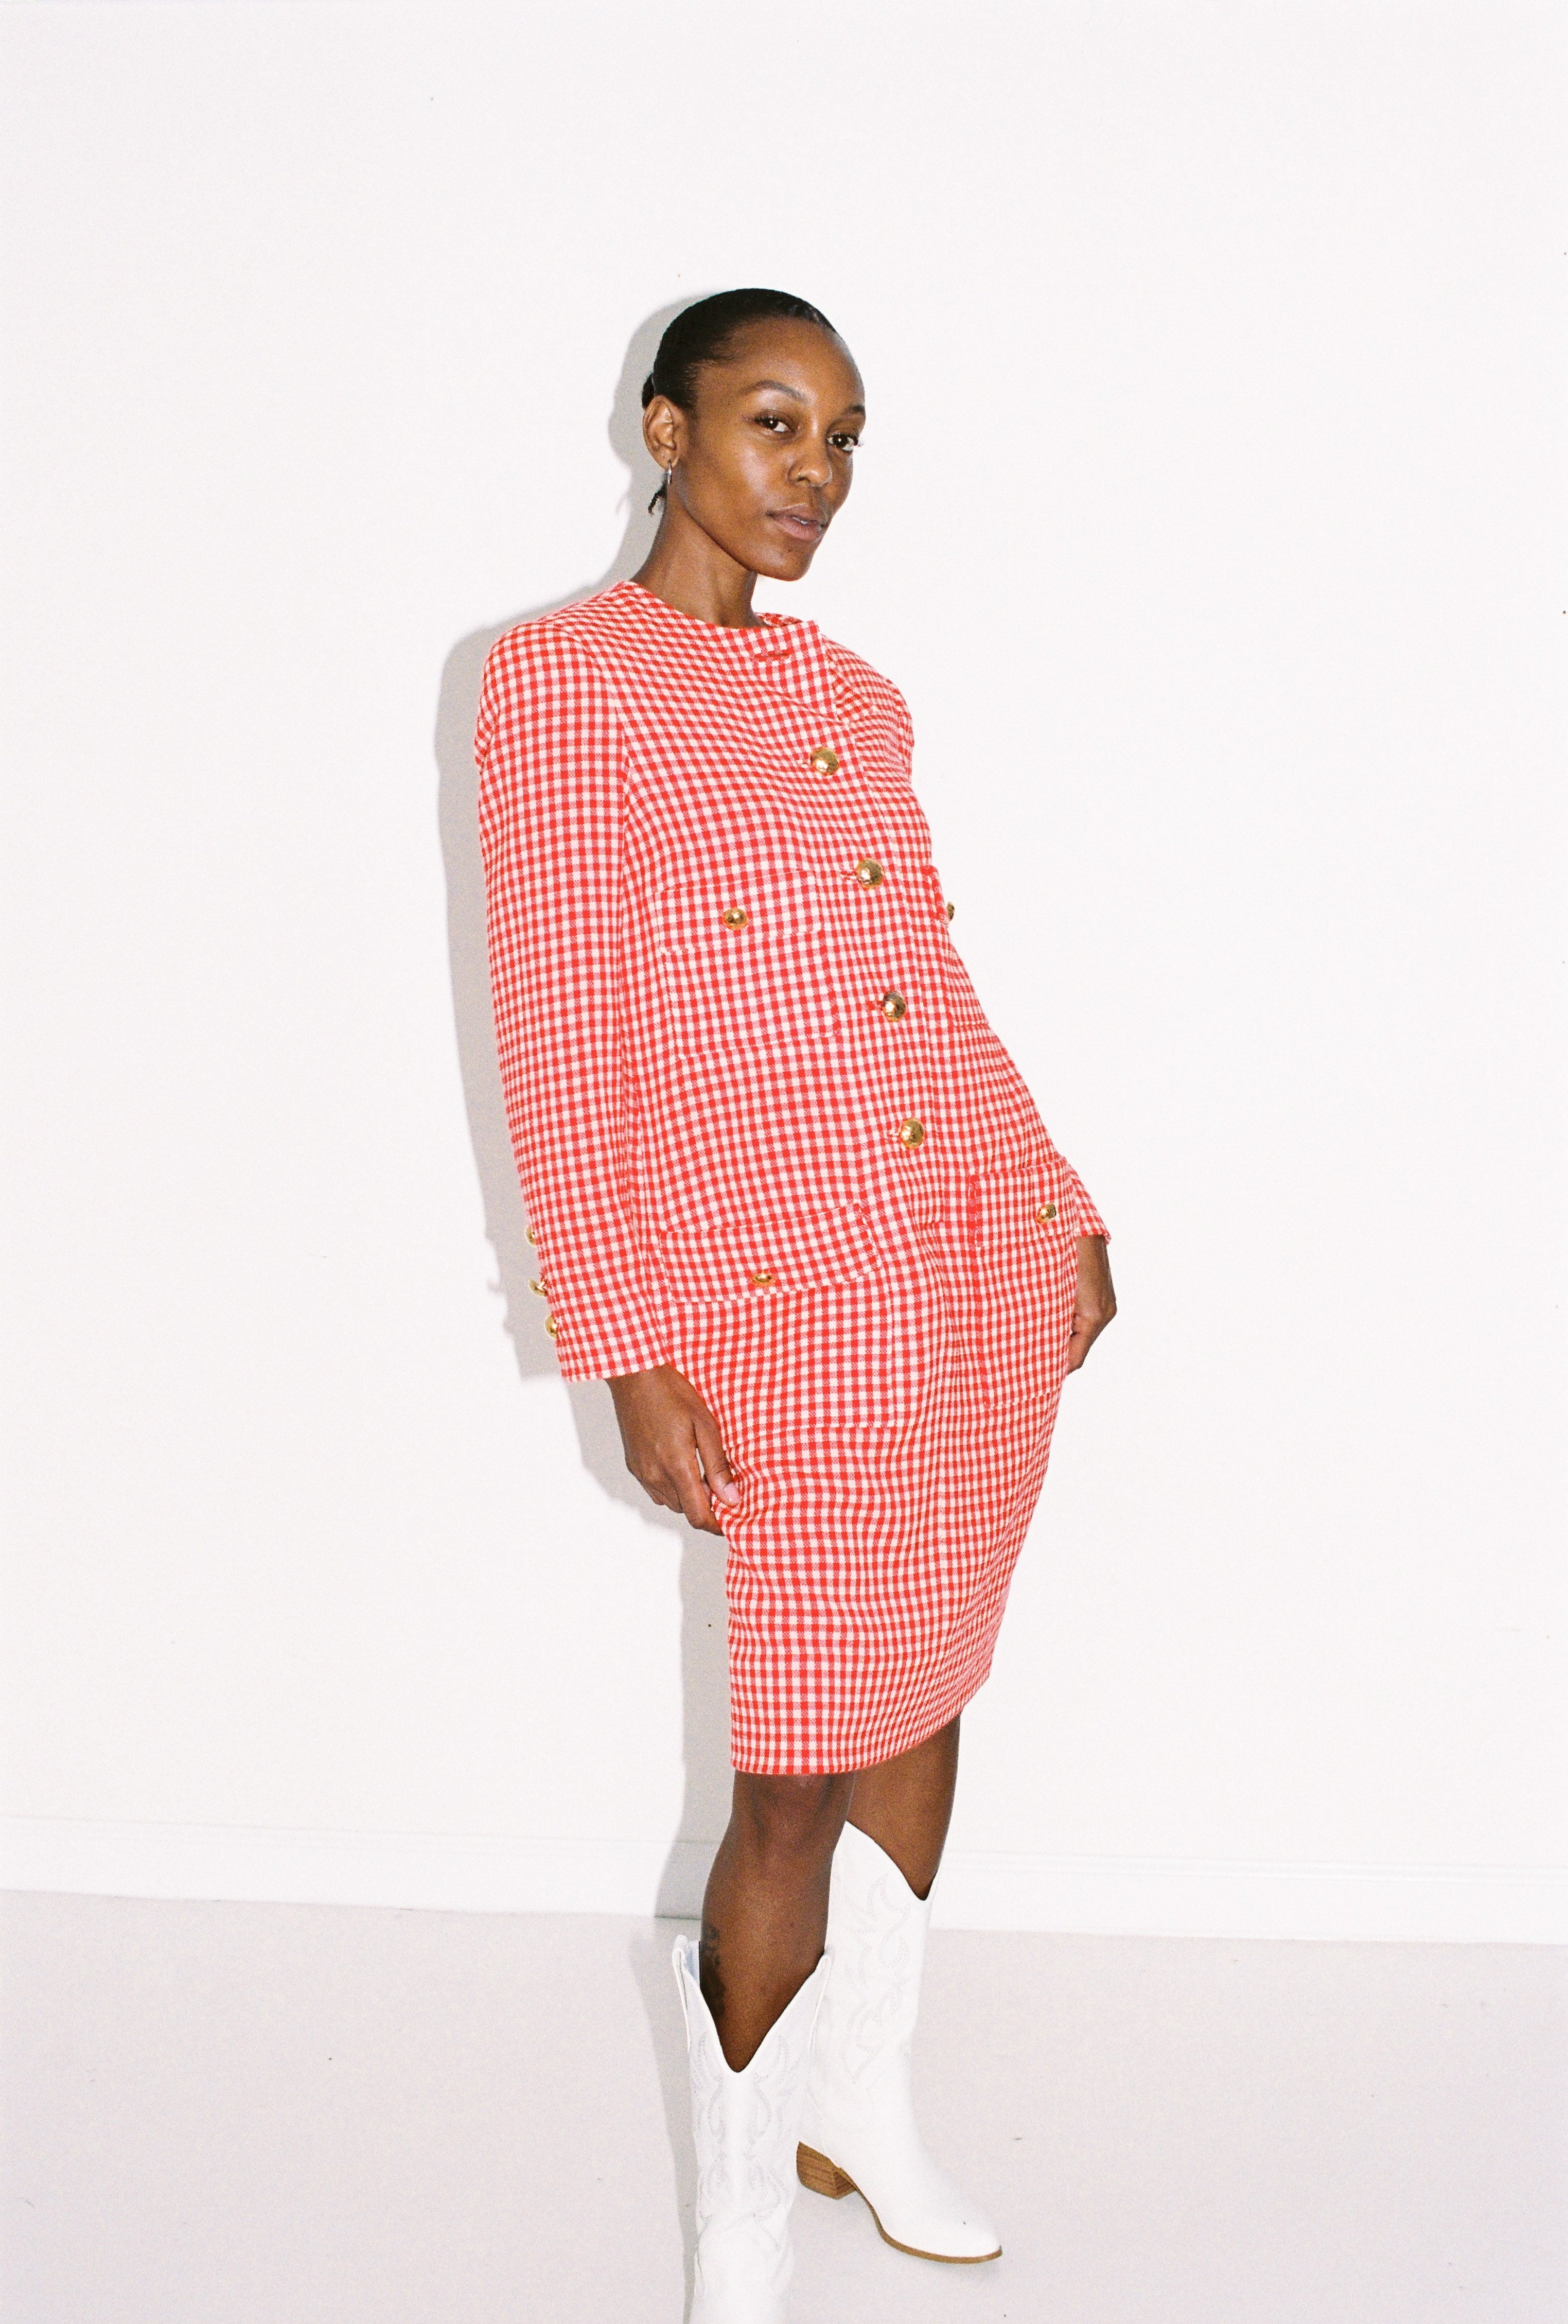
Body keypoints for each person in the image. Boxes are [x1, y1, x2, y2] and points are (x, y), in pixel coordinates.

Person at [475, 287, 1115, 2322]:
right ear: (661, 431)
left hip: (968, 1251)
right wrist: (624, 1341)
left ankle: (866, 2105)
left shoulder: (857, 690)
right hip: (775, 1292)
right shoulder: (561, 687)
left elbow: (924, 979)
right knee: (794, 1757)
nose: (813, 474)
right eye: (771, 423)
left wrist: (1060, 1194)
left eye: (843, 436)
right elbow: (559, 1043)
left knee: (930, 1680)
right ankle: (738, 2225)